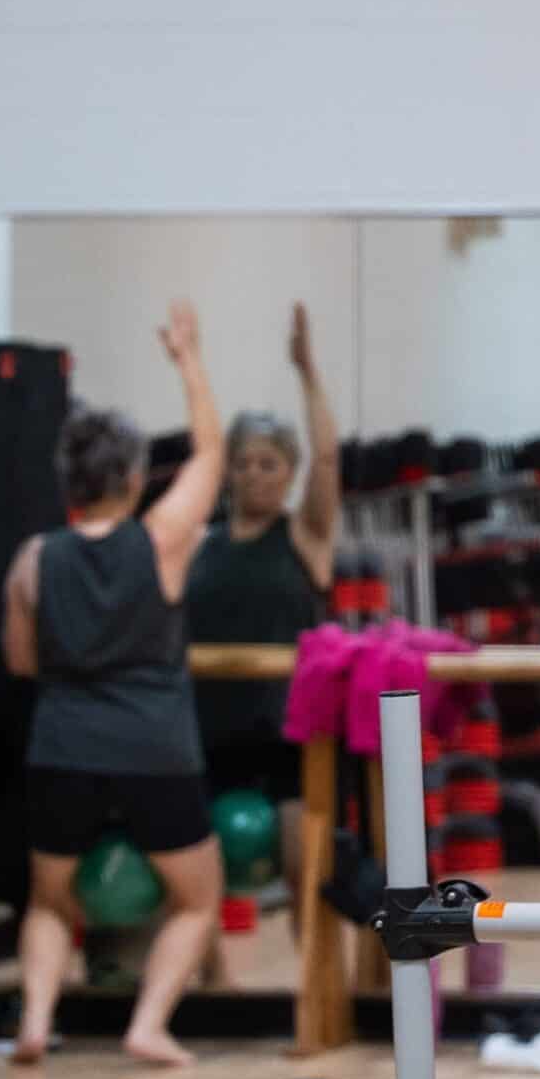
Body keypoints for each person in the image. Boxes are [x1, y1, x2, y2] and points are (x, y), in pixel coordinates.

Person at [0, 301, 226, 1067]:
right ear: (133, 477)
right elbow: (211, 457)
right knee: (198, 898)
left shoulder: (34, 557)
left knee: (48, 901)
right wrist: (187, 359)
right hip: (154, 744)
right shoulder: (160, 540)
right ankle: (148, 1025)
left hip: (61, 742)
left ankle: (34, 1021)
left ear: (70, 480)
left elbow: (22, 663)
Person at [184, 302, 339, 886]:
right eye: (244, 463)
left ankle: (310, 978)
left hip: (283, 730)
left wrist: (307, 371)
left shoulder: (305, 535)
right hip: (208, 728)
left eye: (269, 464)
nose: (254, 474)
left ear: (290, 470)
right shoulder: (201, 541)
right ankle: (211, 979)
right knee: (199, 878)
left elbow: (328, 458)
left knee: (304, 873)